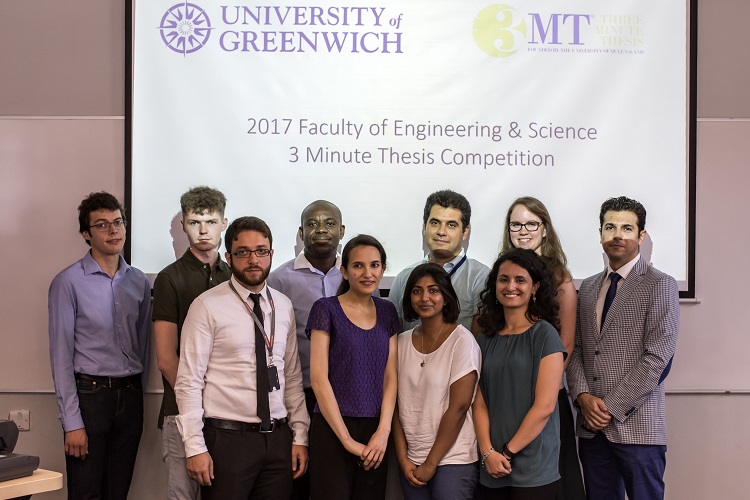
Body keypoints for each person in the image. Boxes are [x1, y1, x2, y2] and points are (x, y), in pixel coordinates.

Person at [175, 216, 309, 500]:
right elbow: (189, 381)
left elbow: (293, 377)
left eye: (261, 251)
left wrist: (300, 435)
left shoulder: (282, 306)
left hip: (277, 440)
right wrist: (195, 447)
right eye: (243, 252)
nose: (253, 259)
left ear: (271, 254)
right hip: (227, 441)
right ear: (228, 256)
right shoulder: (206, 306)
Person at [566, 196, 679, 500]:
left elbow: (658, 358)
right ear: (600, 233)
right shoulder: (587, 287)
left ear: (641, 236)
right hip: (591, 428)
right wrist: (583, 397)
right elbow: (576, 350)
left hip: (638, 428)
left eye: (627, 228)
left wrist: (610, 409)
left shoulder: (660, 284)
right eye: (610, 227)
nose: (618, 235)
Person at [48, 191, 151, 499]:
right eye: (102, 224)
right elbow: (61, 356)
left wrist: (137, 391)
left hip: (130, 396)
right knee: (86, 493)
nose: (113, 230)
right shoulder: (67, 282)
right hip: (89, 398)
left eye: (118, 222)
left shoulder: (139, 281)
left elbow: (142, 345)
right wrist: (72, 423)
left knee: (118, 492)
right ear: (86, 234)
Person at [500, 197, 585, 500]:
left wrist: (537, 393)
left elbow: (567, 343)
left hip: (544, 399)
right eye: (516, 224)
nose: (523, 231)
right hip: (504, 399)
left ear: (545, 229)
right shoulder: (502, 273)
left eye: (531, 223)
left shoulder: (560, 278)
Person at [307, 234, 400, 500]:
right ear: (344, 271)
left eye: (375, 265)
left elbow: (390, 376)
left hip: (375, 431)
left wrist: (383, 432)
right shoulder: (325, 309)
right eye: (358, 265)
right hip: (332, 429)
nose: (367, 273)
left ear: (383, 269)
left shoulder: (388, 311)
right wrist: (347, 440)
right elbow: (318, 379)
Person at [152, 186, 230, 500]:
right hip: (181, 412)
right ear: (183, 225)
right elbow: (166, 359)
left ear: (224, 223)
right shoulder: (169, 278)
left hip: (227, 415)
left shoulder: (235, 276)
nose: (203, 230)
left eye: (210, 222)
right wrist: (195, 404)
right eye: (195, 222)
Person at [267, 199, 346, 500]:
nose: (321, 230)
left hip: (344, 396)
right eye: (312, 224)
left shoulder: (356, 275)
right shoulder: (280, 279)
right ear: (301, 232)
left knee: (334, 483)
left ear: (342, 230)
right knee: (297, 479)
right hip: (300, 395)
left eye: (329, 223)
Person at [473, 248, 566, 499]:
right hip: (491, 464)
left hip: (533, 467)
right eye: (503, 279)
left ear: (535, 287)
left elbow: (545, 406)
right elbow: (479, 402)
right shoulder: (485, 339)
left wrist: (507, 453)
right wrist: (487, 452)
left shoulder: (545, 335)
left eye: (520, 280)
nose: (510, 286)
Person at [392, 263, 481, 500]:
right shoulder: (400, 342)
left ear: (446, 296)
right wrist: (403, 458)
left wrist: (431, 463)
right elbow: (395, 407)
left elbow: (459, 407)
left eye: (433, 290)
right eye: (417, 291)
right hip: (411, 459)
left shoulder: (462, 341)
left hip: (453, 458)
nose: (424, 298)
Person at [389, 190, 490, 331]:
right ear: (424, 227)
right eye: (435, 223)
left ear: (465, 231)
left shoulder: (481, 277)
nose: (441, 232)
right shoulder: (403, 277)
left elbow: (480, 345)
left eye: (451, 225)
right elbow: (393, 335)